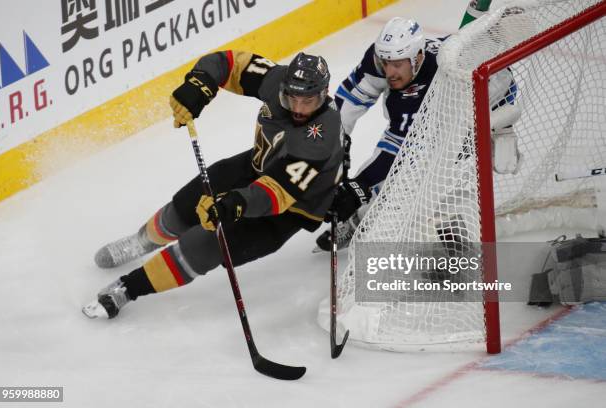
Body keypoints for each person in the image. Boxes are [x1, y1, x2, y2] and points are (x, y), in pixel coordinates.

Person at [83, 50, 343, 319]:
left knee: (208, 244)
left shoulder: (321, 136)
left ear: (323, 95)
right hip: (258, 165)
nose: (299, 108)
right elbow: (229, 63)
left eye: (308, 101)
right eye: (293, 99)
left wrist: (234, 204)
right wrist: (200, 82)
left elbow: (277, 193)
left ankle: (128, 288)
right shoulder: (277, 81)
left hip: (291, 207)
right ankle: (141, 242)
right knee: (188, 203)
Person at [315, 16, 520, 252]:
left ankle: (457, 250)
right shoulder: (382, 60)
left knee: (439, 185)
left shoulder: (435, 82)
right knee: (399, 178)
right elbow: (350, 99)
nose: (389, 72)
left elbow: (399, 154)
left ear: (418, 57)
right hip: (460, 90)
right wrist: (330, 143)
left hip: (485, 104)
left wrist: (359, 187)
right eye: (385, 63)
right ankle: (360, 221)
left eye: (397, 64)